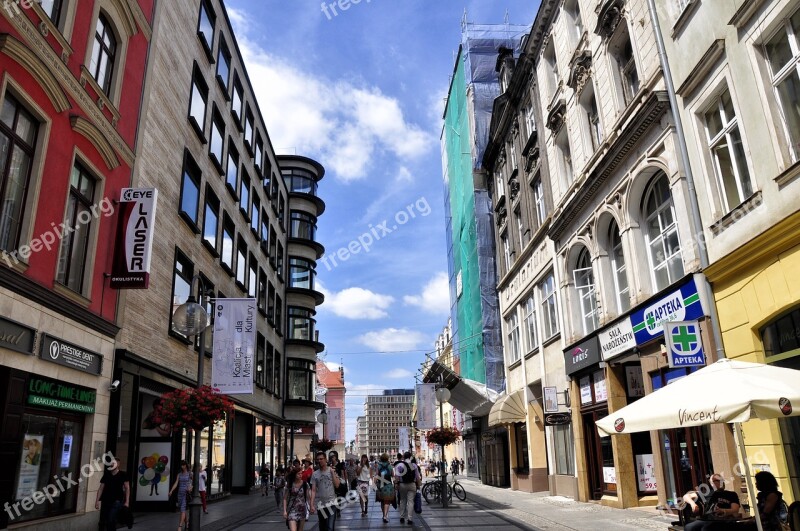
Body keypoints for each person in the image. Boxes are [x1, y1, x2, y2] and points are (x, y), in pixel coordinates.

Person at [309, 451, 342, 531]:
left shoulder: (331, 471)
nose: (319, 461)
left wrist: (333, 473)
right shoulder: (315, 474)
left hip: (332, 504)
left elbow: (337, 485)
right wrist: (311, 504)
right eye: (318, 459)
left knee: (330, 527)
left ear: (326, 459)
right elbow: (313, 490)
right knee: (323, 527)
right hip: (321, 505)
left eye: (321, 459)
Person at [95, 457, 130, 531]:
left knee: (110, 519)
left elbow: (127, 488)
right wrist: (97, 501)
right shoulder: (106, 475)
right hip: (106, 500)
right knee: (104, 521)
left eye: (114, 463)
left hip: (117, 500)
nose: (112, 464)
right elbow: (101, 488)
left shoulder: (123, 475)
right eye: (111, 463)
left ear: (118, 464)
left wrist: (127, 502)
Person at [396, 451, 421, 526]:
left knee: (403, 500)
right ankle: (409, 519)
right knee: (410, 501)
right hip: (412, 484)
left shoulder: (400, 465)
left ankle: (402, 517)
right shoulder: (413, 465)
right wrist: (418, 485)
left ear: (403, 457)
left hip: (402, 485)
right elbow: (417, 477)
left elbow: (397, 476)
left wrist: (396, 484)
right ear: (410, 457)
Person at [283, 467, 310, 531]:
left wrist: (311, 505)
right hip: (292, 510)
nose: (300, 475)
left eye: (301, 473)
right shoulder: (289, 484)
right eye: (298, 474)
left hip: (302, 510)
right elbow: (285, 498)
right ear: (294, 475)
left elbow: (308, 497)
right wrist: (284, 511)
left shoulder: (305, 484)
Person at [168, 461, 192, 531]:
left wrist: (190, 488)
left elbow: (192, 483)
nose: (182, 467)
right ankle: (187, 522)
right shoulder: (179, 474)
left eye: (183, 465)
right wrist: (171, 490)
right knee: (182, 510)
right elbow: (176, 483)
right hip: (180, 493)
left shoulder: (190, 474)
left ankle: (180, 526)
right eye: (181, 465)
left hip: (186, 493)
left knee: (182, 509)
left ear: (186, 466)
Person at [374, 453, 395, 524]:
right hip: (388, 485)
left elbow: (376, 475)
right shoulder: (390, 466)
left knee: (382, 501)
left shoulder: (379, 466)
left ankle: (384, 515)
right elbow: (393, 475)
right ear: (387, 458)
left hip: (381, 485)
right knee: (387, 501)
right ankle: (385, 516)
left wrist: (374, 485)